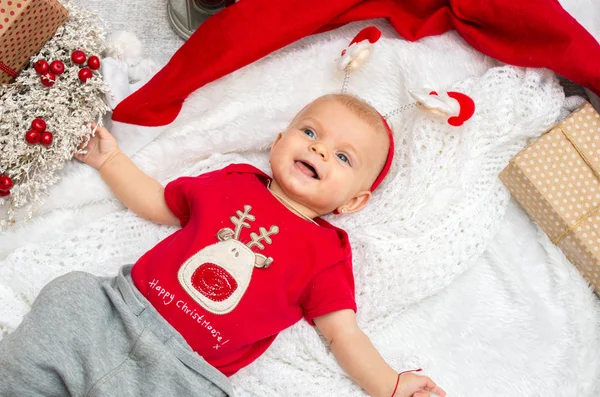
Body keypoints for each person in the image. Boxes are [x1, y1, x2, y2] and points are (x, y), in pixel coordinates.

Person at [0, 93, 446, 397]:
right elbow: (159, 203)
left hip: (183, 372)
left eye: (344, 157)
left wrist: (390, 384)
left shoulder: (327, 253)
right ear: (278, 142)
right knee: (69, 293)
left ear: (353, 201)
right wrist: (111, 160)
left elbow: (343, 333)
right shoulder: (234, 181)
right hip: (114, 311)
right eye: (310, 133)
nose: (321, 150)